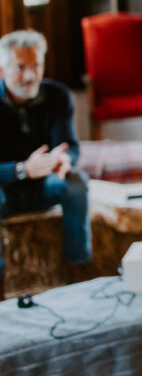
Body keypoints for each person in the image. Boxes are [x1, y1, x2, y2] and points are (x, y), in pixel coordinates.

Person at [0, 29, 91, 300]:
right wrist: (22, 169)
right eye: (20, 68)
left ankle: (78, 266)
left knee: (77, 181)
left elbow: (70, 146)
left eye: (36, 66)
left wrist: (65, 159)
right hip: (5, 188)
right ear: (2, 70)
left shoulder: (58, 95)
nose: (30, 76)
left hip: (46, 185)